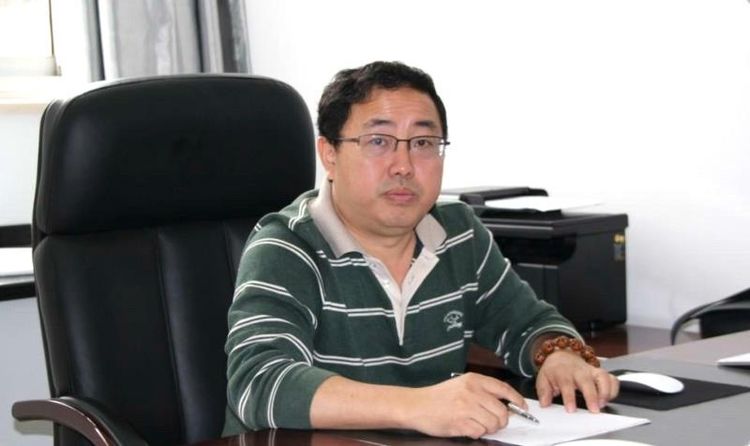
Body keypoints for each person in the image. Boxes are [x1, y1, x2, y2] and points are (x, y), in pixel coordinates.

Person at [224, 61, 619, 439]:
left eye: (424, 143)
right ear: (329, 154)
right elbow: (259, 383)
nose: (404, 166)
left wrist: (559, 355)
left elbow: (527, 322)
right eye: (378, 141)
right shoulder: (288, 247)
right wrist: (418, 406)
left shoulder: (458, 233)